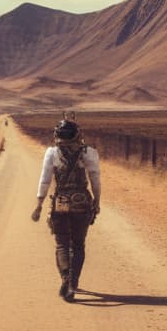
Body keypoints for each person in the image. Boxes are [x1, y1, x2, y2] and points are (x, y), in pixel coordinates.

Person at [31, 115, 101, 302]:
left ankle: (65, 278)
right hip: (81, 201)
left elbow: (45, 180)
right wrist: (97, 201)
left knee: (62, 244)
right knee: (78, 244)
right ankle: (73, 282)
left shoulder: (52, 153)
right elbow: (95, 178)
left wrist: (39, 204)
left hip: (60, 201)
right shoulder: (89, 152)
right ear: (77, 134)